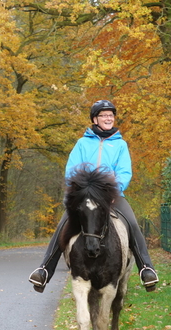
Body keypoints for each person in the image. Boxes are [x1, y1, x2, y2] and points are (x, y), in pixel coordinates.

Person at [28, 100, 159, 293]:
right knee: (63, 225)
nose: (108, 118)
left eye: (111, 115)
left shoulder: (120, 145)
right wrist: (81, 191)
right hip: (85, 196)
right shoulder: (82, 143)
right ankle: (45, 270)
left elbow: (124, 172)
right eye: (104, 115)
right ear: (95, 119)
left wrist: (114, 190)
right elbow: (71, 171)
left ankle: (146, 269)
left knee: (131, 223)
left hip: (112, 196)